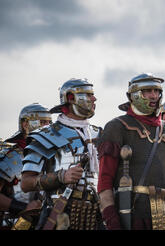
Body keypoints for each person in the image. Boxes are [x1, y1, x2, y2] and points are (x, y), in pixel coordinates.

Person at [97, 73, 165, 230]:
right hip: (133, 215)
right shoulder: (117, 127)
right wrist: (111, 219)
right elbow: (105, 181)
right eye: (148, 91)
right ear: (134, 95)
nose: (154, 95)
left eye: (156, 91)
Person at [20, 78, 103, 230]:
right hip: (59, 214)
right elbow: (26, 183)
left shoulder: (101, 134)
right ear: (71, 98)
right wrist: (60, 177)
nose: (94, 99)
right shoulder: (45, 135)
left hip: (95, 215)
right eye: (89, 95)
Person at [0, 103, 51, 229]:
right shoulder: (11, 155)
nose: (47, 126)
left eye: (49, 122)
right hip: (14, 223)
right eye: (42, 122)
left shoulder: (54, 155)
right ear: (25, 124)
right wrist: (23, 208)